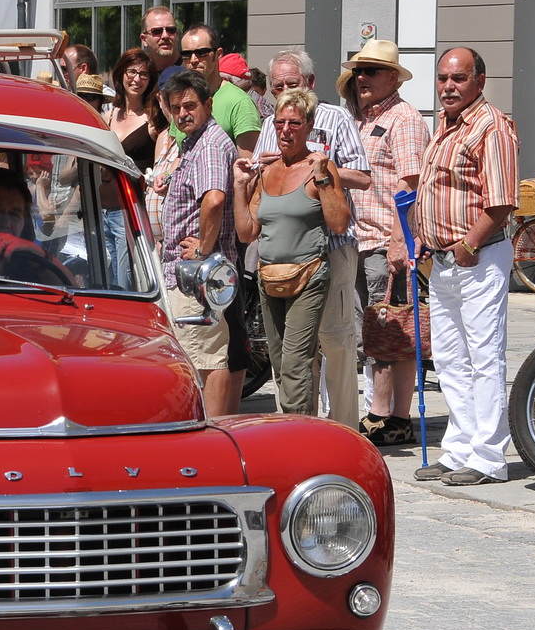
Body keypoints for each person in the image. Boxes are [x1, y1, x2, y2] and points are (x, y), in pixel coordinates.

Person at [406, 48, 519, 485]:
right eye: (442, 78)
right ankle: (458, 450)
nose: (448, 86)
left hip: (479, 257)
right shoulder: (446, 125)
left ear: (480, 81)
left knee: (484, 358)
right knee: (451, 360)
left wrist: (470, 244)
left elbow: (502, 200)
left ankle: (489, 458)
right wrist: (422, 236)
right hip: (443, 260)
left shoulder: (491, 125)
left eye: (458, 78)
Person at [254, 48, 371, 429]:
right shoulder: (274, 123)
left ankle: (345, 432)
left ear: (310, 84)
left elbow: (364, 176)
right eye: (277, 87)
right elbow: (260, 175)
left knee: (336, 344)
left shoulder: (335, 118)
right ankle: (301, 427)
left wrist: (321, 167)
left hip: (332, 249)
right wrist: (272, 166)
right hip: (284, 253)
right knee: (292, 355)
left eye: (292, 83)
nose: (284, 90)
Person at [233, 88, 350, 415]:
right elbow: (247, 231)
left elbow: (340, 224)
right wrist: (240, 186)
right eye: (280, 122)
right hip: (268, 278)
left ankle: (299, 443)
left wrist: (323, 178)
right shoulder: (267, 170)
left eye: (295, 123)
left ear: (309, 125)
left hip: (308, 278)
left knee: (298, 363)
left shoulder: (320, 168)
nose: (286, 130)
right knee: (281, 364)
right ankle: (301, 429)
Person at [340, 40, 429, 447]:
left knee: (393, 328)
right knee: (374, 330)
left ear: (393, 77)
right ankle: (384, 411)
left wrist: (400, 242)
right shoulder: (357, 119)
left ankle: (392, 415)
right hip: (357, 239)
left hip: (382, 240)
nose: (362, 78)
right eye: (358, 70)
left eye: (371, 71)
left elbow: (409, 185)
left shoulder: (403, 119)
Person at [159, 70, 243, 417]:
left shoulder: (209, 144)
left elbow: (213, 199)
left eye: (190, 105)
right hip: (193, 274)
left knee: (206, 356)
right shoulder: (194, 142)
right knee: (204, 353)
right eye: (176, 107)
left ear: (208, 104)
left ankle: (212, 432)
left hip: (198, 278)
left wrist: (203, 251)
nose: (182, 114)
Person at [103, 50, 161, 288]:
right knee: (104, 280)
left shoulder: (153, 120)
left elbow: (159, 166)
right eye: (132, 72)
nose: (137, 79)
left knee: (124, 281)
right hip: (100, 209)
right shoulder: (108, 116)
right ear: (121, 74)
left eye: (144, 74)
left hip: (129, 210)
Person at [177, 26, 261, 154]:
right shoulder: (181, 101)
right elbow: (179, 155)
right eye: (187, 54)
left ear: (218, 54)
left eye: (201, 52)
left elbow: (249, 166)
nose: (193, 60)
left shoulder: (239, 102)